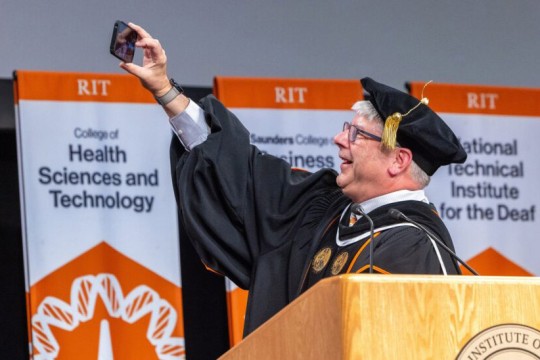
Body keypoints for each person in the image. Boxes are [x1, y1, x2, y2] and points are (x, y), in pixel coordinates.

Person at [120, 23, 468, 337]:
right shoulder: (321, 206)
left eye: (357, 135)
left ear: (398, 160)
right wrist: (165, 90)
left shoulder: (416, 248)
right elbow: (241, 172)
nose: (338, 139)